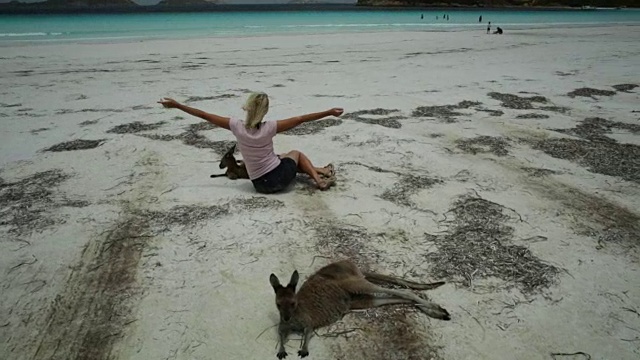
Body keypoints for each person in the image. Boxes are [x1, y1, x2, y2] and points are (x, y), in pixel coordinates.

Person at [158, 93, 343, 193]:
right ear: (265, 111)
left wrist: (177, 105)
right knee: (296, 154)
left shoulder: (236, 126)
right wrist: (329, 112)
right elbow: (301, 118)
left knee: (280, 158)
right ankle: (319, 180)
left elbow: (205, 116)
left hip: (259, 186)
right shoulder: (270, 127)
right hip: (277, 180)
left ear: (246, 108)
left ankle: (321, 170)